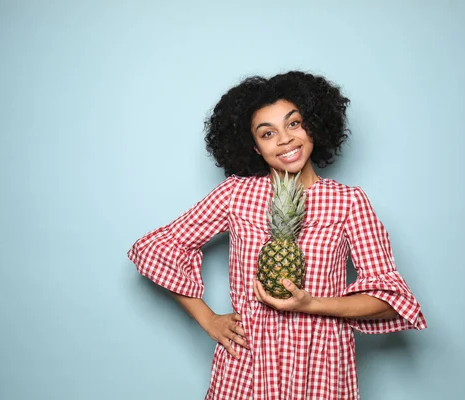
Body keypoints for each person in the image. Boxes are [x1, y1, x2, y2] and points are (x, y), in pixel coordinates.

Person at [128, 71, 427, 400]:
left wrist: (311, 303)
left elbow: (389, 301)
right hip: (249, 362)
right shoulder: (236, 195)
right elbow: (157, 249)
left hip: (322, 363)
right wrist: (209, 320)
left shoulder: (349, 202)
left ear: (313, 124)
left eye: (294, 124)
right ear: (255, 147)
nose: (284, 140)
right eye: (267, 133)